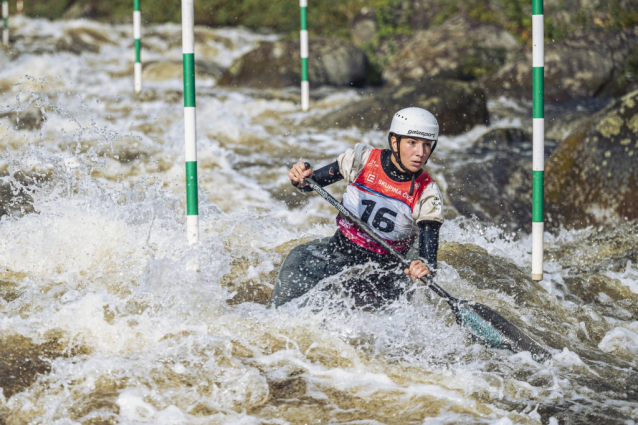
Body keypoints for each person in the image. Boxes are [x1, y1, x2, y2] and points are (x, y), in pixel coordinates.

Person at [271, 107, 444, 309]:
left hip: (383, 273)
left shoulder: (427, 193)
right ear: (394, 141)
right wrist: (300, 176)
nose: (420, 153)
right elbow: (309, 183)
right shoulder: (362, 160)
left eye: (427, 145)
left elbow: (428, 260)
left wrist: (423, 268)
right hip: (338, 253)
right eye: (412, 143)